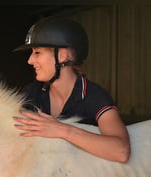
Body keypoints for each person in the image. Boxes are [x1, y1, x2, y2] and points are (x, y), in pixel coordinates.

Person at [12, 16, 130, 163]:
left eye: (37, 53)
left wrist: (63, 130)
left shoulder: (93, 95)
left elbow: (121, 151)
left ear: (62, 55)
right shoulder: (30, 94)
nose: (30, 60)